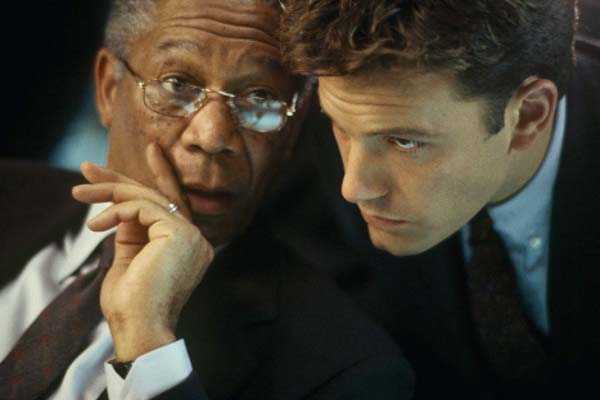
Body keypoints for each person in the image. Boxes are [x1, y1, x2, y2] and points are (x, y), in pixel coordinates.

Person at [0, 0, 415, 399]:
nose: (213, 137)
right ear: (108, 88)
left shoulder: (344, 369)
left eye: (260, 98)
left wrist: (146, 341)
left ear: (292, 130)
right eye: (177, 84)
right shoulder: (10, 192)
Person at [278, 0, 600, 399]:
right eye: (340, 128)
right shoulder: (319, 131)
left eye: (405, 142)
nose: (354, 187)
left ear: (528, 115)